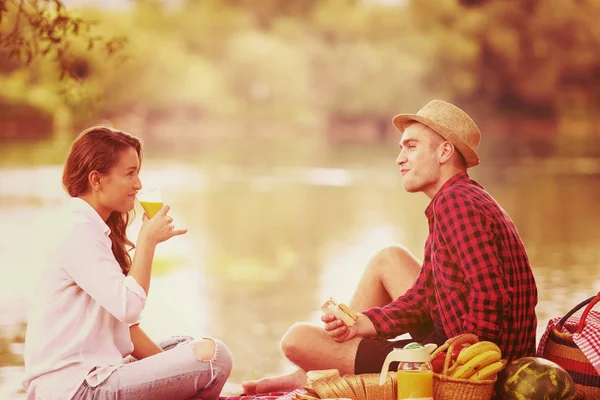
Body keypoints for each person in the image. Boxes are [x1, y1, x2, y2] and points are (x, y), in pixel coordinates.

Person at [243, 99, 538, 394]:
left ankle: (319, 368)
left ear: (444, 152)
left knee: (297, 340)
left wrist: (467, 369)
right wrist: (362, 323)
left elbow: (490, 293)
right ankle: (322, 365)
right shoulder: (462, 196)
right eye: (400, 148)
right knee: (389, 259)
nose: (399, 159)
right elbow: (423, 298)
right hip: (457, 338)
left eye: (411, 147)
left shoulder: (454, 203)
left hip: (470, 366)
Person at [22, 126, 233, 400]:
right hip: (75, 389)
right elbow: (129, 308)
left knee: (186, 346)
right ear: (96, 180)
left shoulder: (92, 227)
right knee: (215, 357)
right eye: (130, 173)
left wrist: (179, 375)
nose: (139, 184)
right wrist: (147, 241)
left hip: (95, 375)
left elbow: (128, 332)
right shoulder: (78, 231)